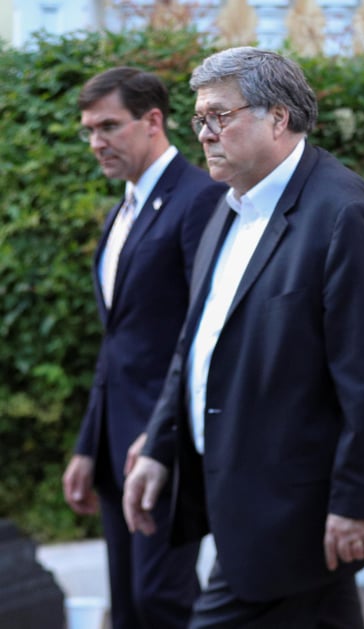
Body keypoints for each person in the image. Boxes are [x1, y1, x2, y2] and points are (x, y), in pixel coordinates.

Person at [121, 47, 364, 627]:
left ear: (278, 118)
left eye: (219, 117)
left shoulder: (342, 212)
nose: (205, 134)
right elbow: (196, 343)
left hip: (292, 510)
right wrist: (160, 446)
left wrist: (359, 502)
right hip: (242, 500)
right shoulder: (230, 206)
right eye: (199, 120)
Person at [63, 67, 226, 629]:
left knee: (164, 602)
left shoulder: (200, 199)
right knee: (132, 605)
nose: (96, 142)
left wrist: (160, 434)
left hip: (163, 447)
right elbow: (117, 345)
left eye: (109, 125)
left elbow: (199, 331)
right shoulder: (120, 214)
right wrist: (88, 445)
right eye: (89, 129)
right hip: (114, 447)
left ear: (152, 120)